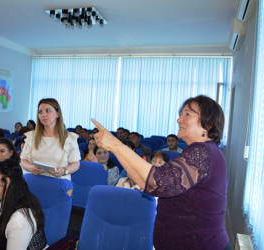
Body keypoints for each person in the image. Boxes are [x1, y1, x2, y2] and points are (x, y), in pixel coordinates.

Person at [92, 95, 230, 249]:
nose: (179, 119)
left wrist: (116, 145)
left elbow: (157, 182)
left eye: (187, 114)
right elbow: (150, 183)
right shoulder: (204, 151)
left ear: (208, 123)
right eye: (181, 114)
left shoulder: (202, 152)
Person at [21, 98, 80, 180]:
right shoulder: (31, 136)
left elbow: (75, 164)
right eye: (40, 112)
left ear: (58, 114)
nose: (43, 115)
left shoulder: (69, 138)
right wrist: (31, 168)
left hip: (59, 183)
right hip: (35, 181)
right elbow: (23, 160)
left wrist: (64, 171)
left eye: (48, 111)